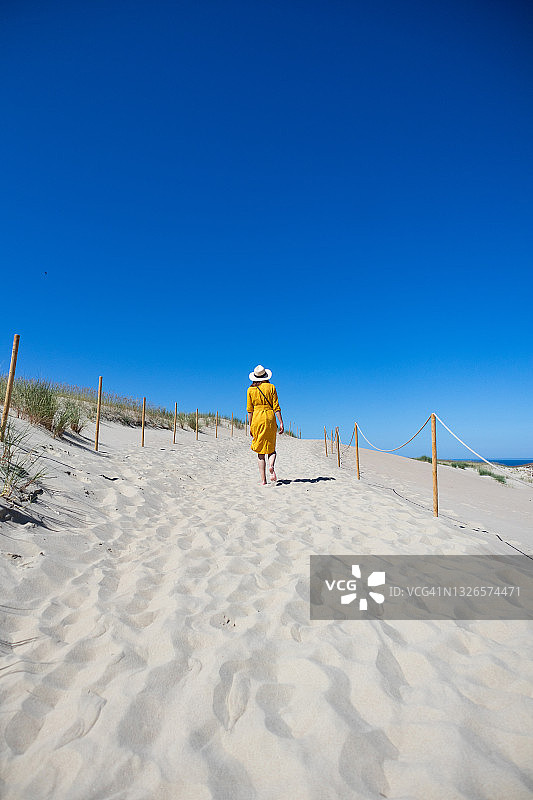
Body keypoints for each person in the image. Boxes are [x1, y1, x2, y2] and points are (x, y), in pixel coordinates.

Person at [247, 365, 284, 485]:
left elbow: (249, 410)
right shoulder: (271, 387)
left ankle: (263, 480)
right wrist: (281, 422)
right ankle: (271, 465)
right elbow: (276, 407)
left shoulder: (250, 390)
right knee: (271, 449)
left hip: (257, 419)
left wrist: (251, 425)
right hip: (269, 418)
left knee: (260, 452)